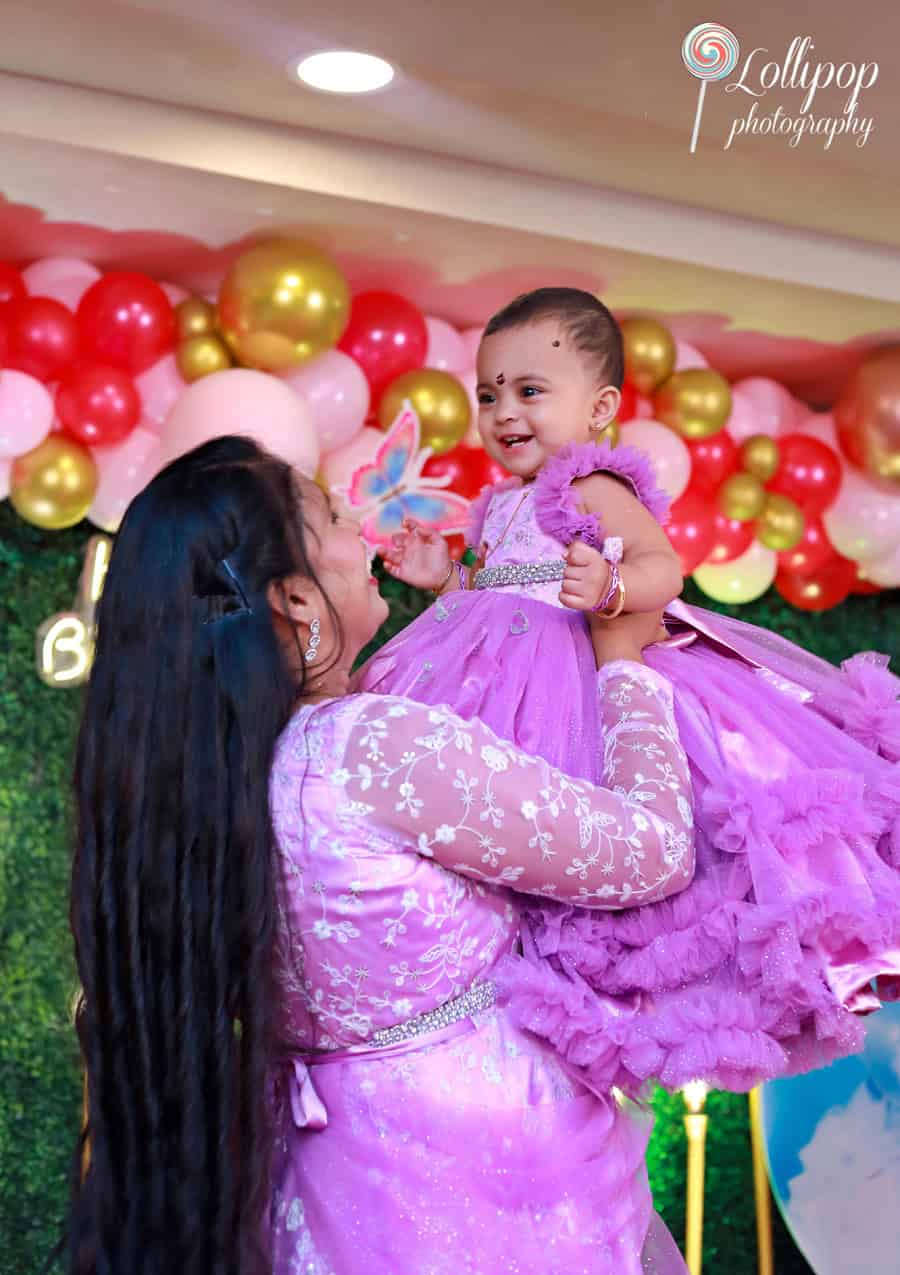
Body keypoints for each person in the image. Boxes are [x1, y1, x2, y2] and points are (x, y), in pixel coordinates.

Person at [67, 435, 696, 1275]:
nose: (359, 525)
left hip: (319, 1187)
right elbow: (652, 851)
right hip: (491, 1187)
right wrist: (624, 657)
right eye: (331, 513)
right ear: (295, 603)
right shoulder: (368, 745)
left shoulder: (210, 776)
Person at [356, 286, 900, 1097]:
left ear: (600, 406)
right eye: (489, 394)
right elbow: (491, 595)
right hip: (499, 690)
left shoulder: (591, 483)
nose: (505, 411)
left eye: (530, 391)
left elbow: (664, 568)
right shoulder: (496, 504)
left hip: (577, 686)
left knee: (594, 835)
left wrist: (612, 584)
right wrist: (446, 579)